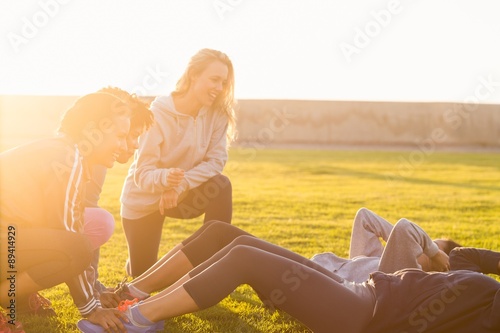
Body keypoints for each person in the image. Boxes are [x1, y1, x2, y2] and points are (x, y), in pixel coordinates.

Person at [77, 224, 500, 333]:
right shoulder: (477, 276)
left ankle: (136, 319)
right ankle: (142, 302)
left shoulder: (490, 303)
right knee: (238, 245)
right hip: (361, 291)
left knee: (244, 258)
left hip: (363, 312)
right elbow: (481, 256)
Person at [0, 92, 131, 330]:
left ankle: (14, 297)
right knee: (77, 247)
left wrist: (92, 293)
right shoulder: (68, 158)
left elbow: (64, 228)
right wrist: (91, 308)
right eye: (120, 136)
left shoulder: (63, 152)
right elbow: (71, 239)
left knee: (68, 243)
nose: (123, 147)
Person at [120, 48, 236, 276]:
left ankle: (211, 267)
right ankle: (136, 264)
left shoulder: (218, 114)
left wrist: (179, 185)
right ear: (193, 75)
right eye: (214, 80)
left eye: (223, 82)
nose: (219, 88)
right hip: (144, 199)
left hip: (182, 196)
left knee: (221, 185)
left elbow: (215, 162)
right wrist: (166, 179)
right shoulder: (158, 113)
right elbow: (142, 174)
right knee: (144, 276)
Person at [82, 87, 154, 305]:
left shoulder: (95, 159)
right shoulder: (89, 161)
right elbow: (81, 230)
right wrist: (91, 294)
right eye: (133, 135)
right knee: (96, 221)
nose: (135, 144)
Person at [311, 207, 460, 282]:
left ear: (444, 264)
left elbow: (404, 228)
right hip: (322, 268)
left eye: (434, 245)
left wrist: (433, 252)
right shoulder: (385, 262)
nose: (426, 244)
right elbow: (365, 217)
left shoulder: (409, 275)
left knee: (287, 266)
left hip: (326, 282)